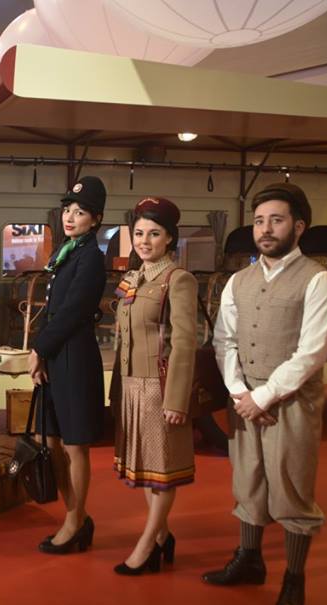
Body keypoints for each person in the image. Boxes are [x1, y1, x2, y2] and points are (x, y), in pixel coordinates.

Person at [205, 183, 327, 605]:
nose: (265, 229)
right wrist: (239, 392)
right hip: (244, 398)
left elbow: (311, 353)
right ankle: (249, 559)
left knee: (292, 489)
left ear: (298, 227)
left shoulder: (318, 280)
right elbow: (224, 340)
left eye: (276, 220)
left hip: (292, 402)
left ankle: (294, 580)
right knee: (248, 480)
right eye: (259, 221)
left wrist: (263, 396)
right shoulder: (237, 282)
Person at [112, 197, 198, 574]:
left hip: (159, 387)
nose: (144, 241)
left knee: (162, 472)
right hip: (131, 384)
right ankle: (163, 537)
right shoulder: (133, 278)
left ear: (170, 238)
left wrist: (176, 399)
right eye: (139, 233)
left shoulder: (178, 279)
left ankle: (146, 545)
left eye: (154, 234)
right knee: (147, 470)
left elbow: (184, 341)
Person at [27, 176, 108, 554]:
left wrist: (39, 348)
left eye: (80, 212)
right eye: (67, 210)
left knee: (75, 445)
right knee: (50, 439)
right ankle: (75, 515)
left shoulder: (91, 258)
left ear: (97, 218)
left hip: (75, 358)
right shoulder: (67, 252)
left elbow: (73, 312)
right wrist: (41, 351)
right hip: (56, 355)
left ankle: (75, 522)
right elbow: (51, 309)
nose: (70, 217)